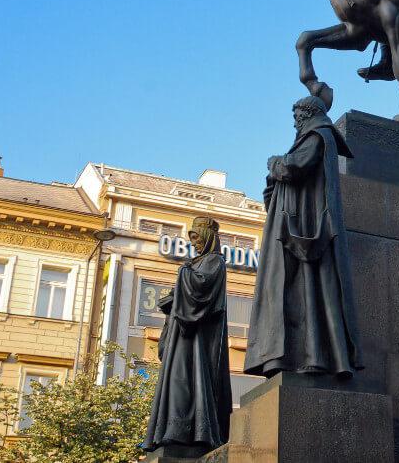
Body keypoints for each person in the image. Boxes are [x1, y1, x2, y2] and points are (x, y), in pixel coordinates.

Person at [244, 97, 363, 378]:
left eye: (297, 114)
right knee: (296, 290)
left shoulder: (318, 136)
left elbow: (293, 167)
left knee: (310, 288)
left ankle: (316, 355)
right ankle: (292, 355)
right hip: (295, 225)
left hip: (307, 228)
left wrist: (275, 163)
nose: (294, 120)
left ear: (309, 114)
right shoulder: (313, 136)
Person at [143, 216, 232, 453]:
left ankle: (188, 431)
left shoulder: (215, 261)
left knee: (189, 380)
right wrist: (171, 300)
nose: (194, 243)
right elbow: (186, 292)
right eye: (191, 238)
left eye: (197, 237)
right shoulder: (197, 263)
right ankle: (172, 430)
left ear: (208, 236)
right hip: (182, 335)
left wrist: (184, 273)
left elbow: (201, 290)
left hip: (198, 339)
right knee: (176, 379)